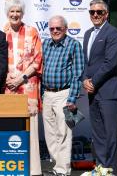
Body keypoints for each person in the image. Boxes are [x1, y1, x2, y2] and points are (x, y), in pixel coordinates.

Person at [80, 0, 117, 176]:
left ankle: (109, 169)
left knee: (110, 133)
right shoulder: (88, 33)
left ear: (106, 14)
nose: (95, 15)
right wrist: (84, 80)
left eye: (99, 12)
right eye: (92, 12)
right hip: (93, 92)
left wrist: (93, 81)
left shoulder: (113, 33)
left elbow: (110, 63)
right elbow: (86, 62)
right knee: (98, 133)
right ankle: (100, 166)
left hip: (108, 91)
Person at [3, 0, 43, 176]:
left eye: (18, 11)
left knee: (31, 128)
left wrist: (21, 77)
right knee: (10, 127)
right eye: (12, 11)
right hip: (7, 87)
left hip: (28, 86)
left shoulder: (32, 31)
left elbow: (37, 60)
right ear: (7, 13)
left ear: (23, 13)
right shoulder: (1, 32)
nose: (15, 14)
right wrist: (6, 77)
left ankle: (33, 170)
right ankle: (11, 167)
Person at [42, 15, 84, 176]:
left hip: (64, 94)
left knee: (64, 133)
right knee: (50, 134)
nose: (55, 31)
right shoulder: (46, 44)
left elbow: (77, 75)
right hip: (47, 94)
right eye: (52, 28)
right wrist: (41, 95)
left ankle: (63, 170)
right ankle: (56, 166)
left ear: (65, 29)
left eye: (58, 28)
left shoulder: (73, 45)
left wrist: (72, 99)